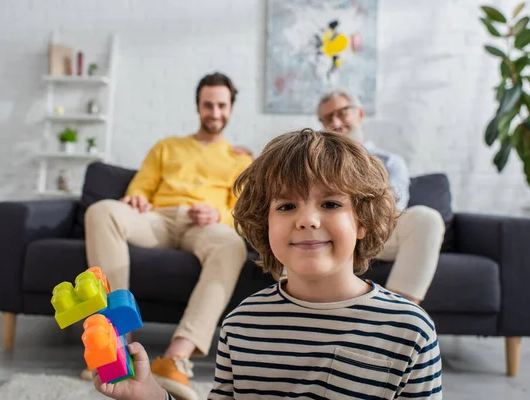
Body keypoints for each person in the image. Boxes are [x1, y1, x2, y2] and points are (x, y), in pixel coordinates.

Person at [90, 129, 443, 400]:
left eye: (331, 204)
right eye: (286, 206)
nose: (307, 220)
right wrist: (152, 394)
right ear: (264, 223)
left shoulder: (410, 331)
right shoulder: (241, 326)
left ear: (362, 220)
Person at [83, 72, 253, 400]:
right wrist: (137, 198)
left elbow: (242, 213)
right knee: (101, 211)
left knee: (232, 244)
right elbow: (140, 188)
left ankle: (175, 358)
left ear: (231, 108)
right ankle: (115, 344)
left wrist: (218, 214)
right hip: (158, 219)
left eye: (222, 105)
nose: (215, 112)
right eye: (208, 105)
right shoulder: (167, 146)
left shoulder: (240, 159)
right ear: (197, 107)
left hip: (206, 225)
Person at [317, 89, 445, 305]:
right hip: (328, 230)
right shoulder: (315, 164)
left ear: (359, 114)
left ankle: (397, 317)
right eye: (328, 118)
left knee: (426, 218)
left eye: (342, 112)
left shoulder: (389, 161)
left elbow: (392, 208)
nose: (336, 122)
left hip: (378, 232)